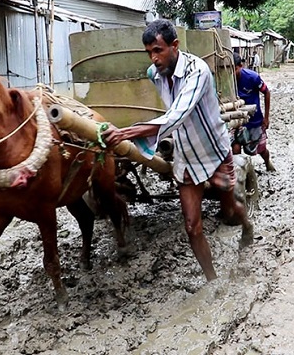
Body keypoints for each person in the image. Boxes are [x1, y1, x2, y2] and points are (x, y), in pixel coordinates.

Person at [103, 19, 254, 281]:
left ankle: (247, 225)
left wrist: (125, 132)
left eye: (158, 50)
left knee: (229, 211)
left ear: (175, 46)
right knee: (192, 226)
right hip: (186, 154)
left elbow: (177, 115)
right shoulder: (154, 73)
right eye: (149, 52)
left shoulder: (198, 71)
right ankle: (212, 280)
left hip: (214, 151)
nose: (154, 58)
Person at [233, 52, 275, 172]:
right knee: (235, 147)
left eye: (235, 69)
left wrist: (266, 118)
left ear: (241, 66)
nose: (233, 73)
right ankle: (242, 174)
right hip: (236, 121)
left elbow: (267, 92)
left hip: (254, 119)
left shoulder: (252, 77)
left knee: (259, 149)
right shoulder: (227, 80)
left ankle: (267, 163)